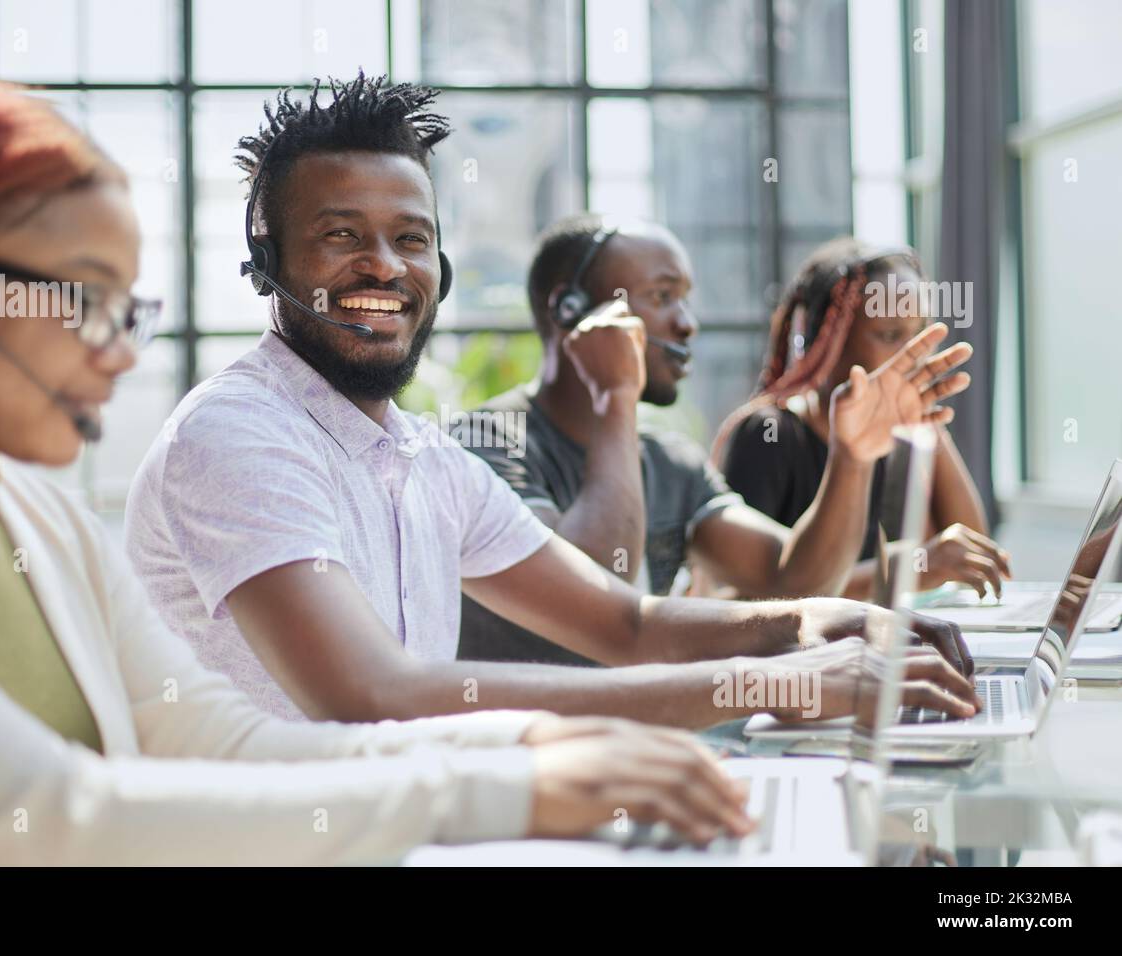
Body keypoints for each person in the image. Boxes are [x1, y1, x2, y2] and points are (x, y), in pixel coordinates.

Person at [0, 79, 757, 865]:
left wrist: (532, 745)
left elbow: (220, 743)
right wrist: (510, 787)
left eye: (128, 307)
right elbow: (69, 812)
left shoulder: (40, 521)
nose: (118, 353)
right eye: (83, 300)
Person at [124, 73, 980, 736]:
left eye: (412, 238)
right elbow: (370, 694)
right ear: (267, 263)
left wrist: (828, 621)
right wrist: (769, 680)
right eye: (341, 234)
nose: (384, 266)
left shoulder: (424, 461)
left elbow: (628, 622)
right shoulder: (237, 435)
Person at [456, 215, 977, 667]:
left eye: (685, 300)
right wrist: (615, 396)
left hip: (640, 736)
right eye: (662, 298)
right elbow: (588, 601)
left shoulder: (669, 460)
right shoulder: (487, 443)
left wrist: (853, 455)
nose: (687, 324)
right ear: (569, 310)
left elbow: (794, 578)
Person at [715, 237, 1010, 602]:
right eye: (889, 335)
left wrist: (926, 421)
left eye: (919, 335)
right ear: (825, 340)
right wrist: (910, 569)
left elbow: (972, 557)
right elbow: (738, 596)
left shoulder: (903, 436)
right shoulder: (770, 435)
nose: (910, 355)